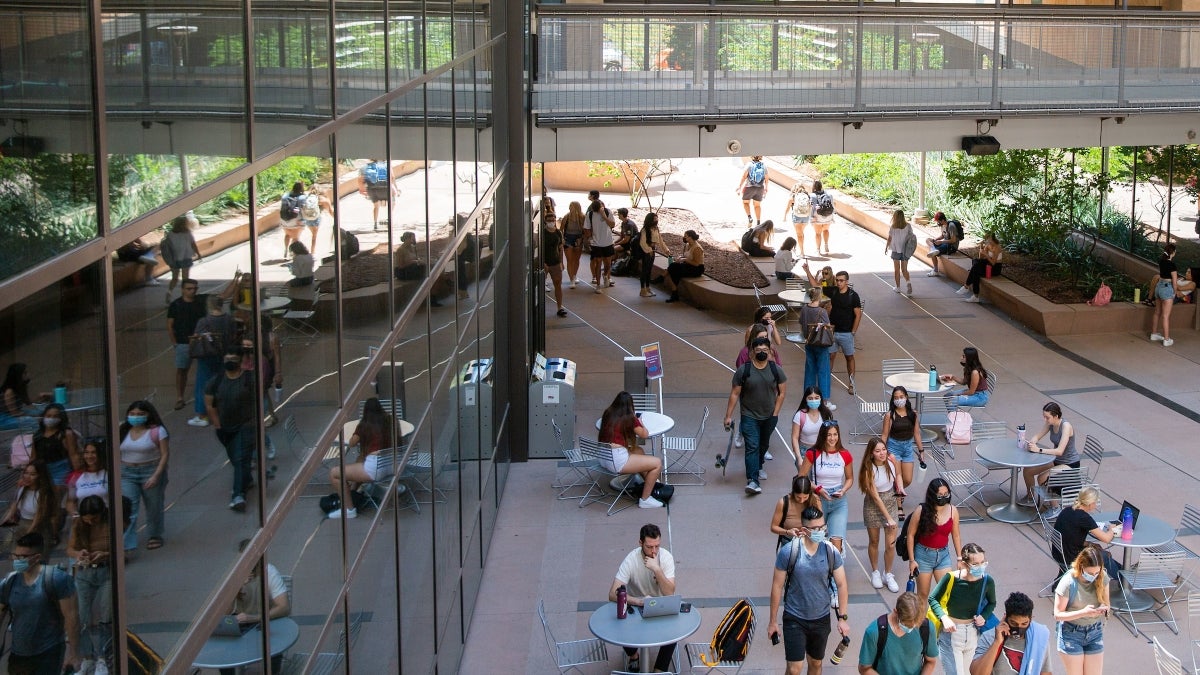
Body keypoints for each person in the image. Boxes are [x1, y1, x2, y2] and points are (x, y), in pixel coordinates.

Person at [767, 506, 851, 675]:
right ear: (804, 530)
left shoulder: (830, 551)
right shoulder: (789, 551)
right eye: (815, 528)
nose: (820, 531)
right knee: (794, 668)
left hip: (821, 618)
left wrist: (842, 618)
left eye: (822, 527)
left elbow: (842, 584)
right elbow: (776, 587)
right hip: (794, 617)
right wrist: (773, 621)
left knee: (816, 664)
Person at [0, 532, 80, 674]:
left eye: (23, 557)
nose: (17, 560)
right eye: (15, 556)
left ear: (37, 557)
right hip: (19, 655)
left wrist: (73, 653)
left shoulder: (56, 579)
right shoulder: (9, 583)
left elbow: (71, 618)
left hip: (49, 652)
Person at [606, 523, 676, 672]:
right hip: (636, 606)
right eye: (649, 547)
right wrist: (638, 601)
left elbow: (670, 592)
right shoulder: (631, 559)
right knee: (621, 622)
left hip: (660, 604)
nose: (654, 551)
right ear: (640, 543)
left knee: (673, 633)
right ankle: (633, 656)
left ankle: (659, 670)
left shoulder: (666, 557)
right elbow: (613, 593)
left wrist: (657, 569)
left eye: (657, 546)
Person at [724, 337, 787, 496]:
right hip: (749, 415)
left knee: (763, 445)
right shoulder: (743, 371)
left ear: (770, 352)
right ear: (752, 352)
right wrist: (728, 416)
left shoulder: (776, 370)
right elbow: (735, 393)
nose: (761, 353)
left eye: (764, 351)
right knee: (752, 445)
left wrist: (776, 412)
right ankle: (752, 480)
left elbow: (782, 392)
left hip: (769, 416)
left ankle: (758, 466)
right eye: (758, 351)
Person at [220, 539, 291, 675]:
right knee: (225, 651)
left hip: (265, 618)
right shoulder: (235, 574)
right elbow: (225, 612)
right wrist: (236, 588)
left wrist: (255, 617)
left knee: (274, 648)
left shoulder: (269, 572)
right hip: (242, 620)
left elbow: (284, 607)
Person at [928, 543, 998, 675]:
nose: (980, 566)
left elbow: (992, 603)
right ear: (965, 564)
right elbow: (933, 599)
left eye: (983, 562)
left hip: (973, 633)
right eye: (975, 564)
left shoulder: (987, 581)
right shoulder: (951, 578)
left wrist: (984, 616)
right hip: (951, 633)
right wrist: (944, 618)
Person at [205, 349, 258, 513]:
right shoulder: (216, 381)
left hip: (246, 426)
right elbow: (209, 404)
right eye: (227, 356)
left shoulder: (249, 379)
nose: (230, 360)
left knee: (240, 458)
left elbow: (258, 400)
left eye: (233, 357)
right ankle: (247, 479)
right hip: (225, 428)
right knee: (236, 460)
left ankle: (237, 495)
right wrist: (217, 424)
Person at [328, 397, 395, 519]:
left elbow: (352, 443)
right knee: (361, 457)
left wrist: (358, 431)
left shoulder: (365, 425)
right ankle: (353, 492)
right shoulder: (390, 421)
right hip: (393, 465)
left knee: (334, 473)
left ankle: (349, 509)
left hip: (376, 469)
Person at [67, 496, 113, 675]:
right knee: (82, 617)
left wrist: (105, 554)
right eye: (87, 519)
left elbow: (122, 550)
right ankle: (88, 657)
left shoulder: (110, 523)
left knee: (106, 615)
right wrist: (80, 553)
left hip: (106, 571)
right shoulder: (79, 525)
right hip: (85, 573)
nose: (90, 522)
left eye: (94, 519)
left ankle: (103, 657)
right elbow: (70, 549)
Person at [598, 392, 665, 509]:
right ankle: (645, 499)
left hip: (603, 456)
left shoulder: (608, 413)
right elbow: (644, 434)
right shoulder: (629, 419)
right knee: (657, 463)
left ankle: (651, 484)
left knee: (638, 450)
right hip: (617, 460)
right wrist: (640, 422)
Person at [119, 400, 169, 554]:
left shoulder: (158, 431)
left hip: (150, 470)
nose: (136, 417)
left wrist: (156, 476)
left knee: (154, 505)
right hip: (127, 472)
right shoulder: (122, 430)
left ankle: (155, 534)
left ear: (148, 415)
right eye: (132, 414)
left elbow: (165, 454)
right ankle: (126, 545)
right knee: (128, 507)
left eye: (140, 414)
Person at [1052, 545, 1110, 675]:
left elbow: (1107, 604)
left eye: (1097, 573)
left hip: (1095, 631)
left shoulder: (1102, 576)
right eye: (1090, 573)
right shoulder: (1068, 582)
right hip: (1071, 633)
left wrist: (1103, 609)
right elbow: (1058, 614)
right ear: (1081, 566)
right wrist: (1083, 612)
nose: (1094, 576)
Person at [799, 421, 854, 552]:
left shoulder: (845, 454)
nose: (832, 438)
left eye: (835, 434)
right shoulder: (812, 453)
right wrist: (817, 489)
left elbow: (850, 478)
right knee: (816, 539)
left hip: (838, 500)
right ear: (823, 435)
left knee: (837, 541)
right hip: (818, 499)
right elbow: (801, 477)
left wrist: (843, 490)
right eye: (829, 435)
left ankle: (834, 570)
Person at [906, 478, 963, 603]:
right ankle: (922, 621)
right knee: (923, 595)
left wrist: (959, 558)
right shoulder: (921, 510)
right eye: (940, 495)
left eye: (946, 494)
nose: (944, 497)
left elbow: (956, 535)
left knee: (946, 593)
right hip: (923, 555)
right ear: (933, 495)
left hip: (943, 555)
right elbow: (910, 535)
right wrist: (912, 560)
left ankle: (941, 621)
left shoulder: (953, 510)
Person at [969, 592, 1053, 675]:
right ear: (1005, 617)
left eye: (1024, 624)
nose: (1019, 628)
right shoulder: (989, 637)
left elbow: (1045, 671)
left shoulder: (1039, 638)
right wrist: (997, 642)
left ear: (1031, 619)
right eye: (1013, 623)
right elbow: (977, 673)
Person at [858, 592, 939, 675]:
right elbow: (864, 668)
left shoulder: (926, 628)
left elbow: (930, 661)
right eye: (906, 624)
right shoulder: (874, 632)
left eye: (915, 625)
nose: (910, 628)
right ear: (895, 611)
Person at [859, 437, 903, 593]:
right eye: (877, 451)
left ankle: (888, 573)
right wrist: (889, 518)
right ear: (871, 454)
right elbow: (875, 497)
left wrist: (900, 490)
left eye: (883, 449)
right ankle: (876, 571)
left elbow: (898, 475)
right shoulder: (868, 469)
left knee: (891, 543)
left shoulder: (891, 461)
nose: (882, 453)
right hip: (874, 505)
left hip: (890, 500)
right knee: (874, 540)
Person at [1052, 487, 1123, 580]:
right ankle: (1123, 580)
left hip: (1059, 553)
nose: (1096, 505)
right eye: (1095, 502)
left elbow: (1070, 537)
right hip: (1071, 558)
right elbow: (1106, 539)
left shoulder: (1068, 510)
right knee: (1104, 556)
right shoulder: (1084, 518)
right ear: (1090, 503)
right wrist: (1111, 529)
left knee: (1100, 552)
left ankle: (1122, 570)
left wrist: (1089, 544)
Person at [189, 294, 237, 427]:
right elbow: (233, 335)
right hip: (224, 354)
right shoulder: (229, 319)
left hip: (207, 356)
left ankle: (202, 415)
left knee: (202, 384)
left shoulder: (204, 321)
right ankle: (222, 410)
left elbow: (197, 337)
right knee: (221, 382)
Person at [1019, 402, 1080, 507]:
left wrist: (1039, 450)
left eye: (1047, 417)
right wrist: (1032, 442)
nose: (1045, 420)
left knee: (1042, 478)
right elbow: (1038, 436)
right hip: (1056, 460)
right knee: (1028, 471)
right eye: (1044, 417)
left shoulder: (1066, 426)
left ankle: (1055, 507)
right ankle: (1030, 498)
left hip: (1069, 463)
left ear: (1056, 416)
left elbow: (1060, 451)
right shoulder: (1050, 423)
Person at [0, 462, 61, 559]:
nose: (27, 477)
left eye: (32, 474)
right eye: (26, 473)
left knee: (34, 559)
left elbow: (38, 517)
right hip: (22, 525)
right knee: (16, 557)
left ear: (40, 476)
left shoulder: (43, 494)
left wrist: (28, 534)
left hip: (38, 528)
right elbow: (13, 507)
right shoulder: (22, 489)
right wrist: (3, 522)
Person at [167, 279, 208, 414]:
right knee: (182, 370)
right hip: (183, 342)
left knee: (205, 368)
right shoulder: (176, 305)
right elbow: (170, 325)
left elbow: (223, 296)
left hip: (200, 341)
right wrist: (175, 343)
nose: (193, 291)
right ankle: (180, 397)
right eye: (189, 288)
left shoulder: (201, 301)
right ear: (183, 289)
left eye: (195, 288)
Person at [880, 386, 925, 510]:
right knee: (898, 476)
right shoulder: (890, 415)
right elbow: (884, 435)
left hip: (908, 448)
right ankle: (898, 506)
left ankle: (894, 493)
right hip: (894, 447)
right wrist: (881, 451)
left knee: (907, 479)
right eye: (895, 398)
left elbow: (916, 433)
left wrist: (921, 450)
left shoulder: (913, 414)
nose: (898, 400)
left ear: (906, 397)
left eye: (901, 397)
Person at [28, 403, 81, 500]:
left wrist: (79, 474)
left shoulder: (66, 434)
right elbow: (33, 457)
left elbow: (74, 455)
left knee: (54, 498)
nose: (51, 418)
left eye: (55, 416)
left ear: (61, 418)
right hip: (42, 471)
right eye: (48, 416)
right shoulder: (37, 436)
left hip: (61, 472)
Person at [826, 270, 863, 395]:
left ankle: (852, 383)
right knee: (830, 356)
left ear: (847, 281)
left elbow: (858, 314)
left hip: (846, 333)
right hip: (833, 331)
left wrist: (853, 331)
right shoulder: (834, 291)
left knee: (849, 358)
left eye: (841, 280)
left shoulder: (853, 296)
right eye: (837, 280)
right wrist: (807, 271)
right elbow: (816, 286)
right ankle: (826, 381)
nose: (838, 282)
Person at [799, 288, 833, 400]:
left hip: (809, 342)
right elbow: (827, 326)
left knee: (810, 371)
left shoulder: (804, 309)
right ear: (819, 297)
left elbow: (801, 323)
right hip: (821, 344)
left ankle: (808, 397)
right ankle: (824, 399)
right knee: (824, 372)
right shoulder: (821, 311)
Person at [771, 476, 821, 550]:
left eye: (805, 497)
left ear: (809, 494)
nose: (801, 500)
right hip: (789, 542)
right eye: (798, 497)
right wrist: (787, 532)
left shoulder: (815, 500)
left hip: (810, 543)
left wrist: (811, 531)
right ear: (793, 492)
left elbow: (820, 524)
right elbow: (773, 527)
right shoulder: (783, 502)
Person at [162, 213, 202, 303]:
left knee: (175, 278)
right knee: (185, 279)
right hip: (186, 258)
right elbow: (193, 244)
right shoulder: (187, 233)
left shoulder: (170, 234)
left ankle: (169, 292)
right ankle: (184, 296)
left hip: (174, 259)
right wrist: (198, 254)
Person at [583, 190, 616, 293]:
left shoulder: (608, 212)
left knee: (607, 263)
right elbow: (587, 228)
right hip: (596, 243)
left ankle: (605, 275)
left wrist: (604, 216)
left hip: (608, 242)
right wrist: (589, 239)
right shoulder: (590, 214)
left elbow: (612, 224)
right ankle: (598, 285)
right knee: (598, 263)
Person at [66, 439, 108, 518]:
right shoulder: (75, 476)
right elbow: (70, 501)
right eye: (86, 452)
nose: (89, 456)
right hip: (84, 519)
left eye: (93, 452)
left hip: (105, 517)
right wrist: (75, 515)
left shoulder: (108, 473)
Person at [957, 233, 1003, 304]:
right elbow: (980, 258)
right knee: (975, 262)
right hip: (988, 263)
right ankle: (974, 295)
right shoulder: (988, 246)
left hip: (995, 267)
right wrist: (981, 249)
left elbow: (993, 263)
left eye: (988, 239)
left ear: (992, 239)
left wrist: (986, 254)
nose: (987, 241)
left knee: (975, 269)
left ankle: (968, 288)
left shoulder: (997, 247)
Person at [663, 229, 705, 303]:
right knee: (674, 269)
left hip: (697, 269)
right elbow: (686, 256)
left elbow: (697, 263)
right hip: (688, 265)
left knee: (672, 268)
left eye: (685, 236)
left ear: (690, 237)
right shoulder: (687, 245)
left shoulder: (697, 248)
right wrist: (681, 258)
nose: (684, 238)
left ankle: (664, 278)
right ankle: (674, 294)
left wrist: (684, 260)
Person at [1, 363, 45, 431]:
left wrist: (39, 400)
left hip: (15, 413)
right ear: (18, 375)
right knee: (31, 421)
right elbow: (15, 414)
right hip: (4, 419)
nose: (28, 374)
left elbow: (28, 402)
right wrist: (32, 416)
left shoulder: (20, 387)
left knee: (40, 412)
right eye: (25, 373)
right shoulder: (9, 391)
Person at [1151, 242, 1179, 346]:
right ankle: (1166, 339)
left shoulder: (1161, 262)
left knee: (1157, 312)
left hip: (1159, 287)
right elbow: (1174, 282)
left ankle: (1153, 334)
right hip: (1167, 288)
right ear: (1173, 253)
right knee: (1166, 316)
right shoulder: (1172, 265)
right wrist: (1175, 292)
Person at [791, 386, 834, 452]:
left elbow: (831, 434)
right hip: (804, 451)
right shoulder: (799, 415)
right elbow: (794, 437)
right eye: (810, 398)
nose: (814, 401)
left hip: (822, 450)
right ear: (806, 399)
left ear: (820, 398)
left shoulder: (826, 414)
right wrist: (799, 457)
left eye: (816, 398)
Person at [542, 213, 567, 317]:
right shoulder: (542, 233)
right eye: (549, 220)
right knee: (539, 286)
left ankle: (559, 307)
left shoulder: (558, 233)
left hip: (555, 262)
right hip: (545, 262)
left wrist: (561, 262)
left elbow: (560, 248)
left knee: (558, 284)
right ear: (545, 221)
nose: (551, 222)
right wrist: (542, 262)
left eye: (553, 220)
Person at [885, 209, 916, 295]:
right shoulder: (908, 226)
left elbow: (889, 238)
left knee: (897, 270)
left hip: (895, 250)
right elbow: (911, 237)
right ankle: (908, 283)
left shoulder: (893, 227)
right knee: (904, 269)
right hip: (905, 250)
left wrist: (886, 247)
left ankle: (898, 287)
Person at [359, 159, 396, 229]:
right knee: (392, 202)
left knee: (376, 206)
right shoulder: (386, 165)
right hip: (385, 188)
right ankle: (389, 219)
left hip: (372, 189)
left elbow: (361, 181)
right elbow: (392, 177)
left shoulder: (366, 167)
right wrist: (395, 188)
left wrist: (366, 192)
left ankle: (375, 223)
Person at [637, 212, 666, 297]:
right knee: (644, 270)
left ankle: (648, 287)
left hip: (652, 251)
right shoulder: (645, 230)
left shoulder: (656, 229)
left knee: (649, 270)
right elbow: (642, 242)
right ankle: (643, 290)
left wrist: (666, 250)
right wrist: (649, 250)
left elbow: (660, 240)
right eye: (654, 218)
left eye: (657, 218)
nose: (656, 220)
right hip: (646, 252)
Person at [925, 212, 960, 278]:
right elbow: (942, 235)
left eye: (938, 221)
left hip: (951, 247)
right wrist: (935, 240)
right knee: (928, 240)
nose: (937, 223)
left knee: (932, 253)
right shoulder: (943, 225)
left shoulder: (951, 226)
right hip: (944, 243)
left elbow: (953, 240)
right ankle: (933, 249)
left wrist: (941, 242)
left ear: (943, 220)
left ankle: (935, 271)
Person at [737, 155, 769, 227]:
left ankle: (750, 217)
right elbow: (767, 178)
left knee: (745, 203)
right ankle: (758, 222)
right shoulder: (764, 165)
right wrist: (766, 188)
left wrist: (739, 186)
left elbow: (744, 176)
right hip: (760, 188)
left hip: (749, 187)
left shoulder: (749, 164)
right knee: (757, 205)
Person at [561, 201, 587, 288]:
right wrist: (562, 239)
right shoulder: (566, 217)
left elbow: (586, 230)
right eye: (569, 206)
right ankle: (571, 279)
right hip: (568, 238)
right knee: (569, 259)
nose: (570, 208)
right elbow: (561, 229)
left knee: (576, 259)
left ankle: (575, 275)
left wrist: (582, 238)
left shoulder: (582, 217)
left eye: (571, 206)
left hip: (578, 238)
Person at [298, 187, 332, 253]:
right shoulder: (321, 199)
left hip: (307, 218)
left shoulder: (307, 197)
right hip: (315, 219)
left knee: (305, 234)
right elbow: (330, 211)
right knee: (314, 236)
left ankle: (301, 250)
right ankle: (312, 252)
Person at [278, 181, 306, 257]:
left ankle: (286, 250)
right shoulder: (302, 197)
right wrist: (303, 221)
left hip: (284, 220)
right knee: (295, 237)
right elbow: (303, 209)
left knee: (287, 234)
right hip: (296, 221)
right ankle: (293, 252)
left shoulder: (285, 196)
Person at [784, 183, 812, 256]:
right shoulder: (807, 196)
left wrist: (785, 215)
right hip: (806, 217)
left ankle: (802, 252)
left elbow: (788, 207)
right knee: (802, 233)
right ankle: (802, 249)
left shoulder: (793, 196)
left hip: (797, 216)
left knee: (799, 235)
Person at [810, 181, 835, 254]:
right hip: (828, 216)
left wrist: (811, 218)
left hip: (817, 217)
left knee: (818, 233)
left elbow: (812, 208)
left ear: (814, 186)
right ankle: (826, 245)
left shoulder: (812, 195)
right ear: (821, 186)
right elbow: (832, 206)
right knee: (826, 230)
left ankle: (818, 249)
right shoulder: (829, 194)